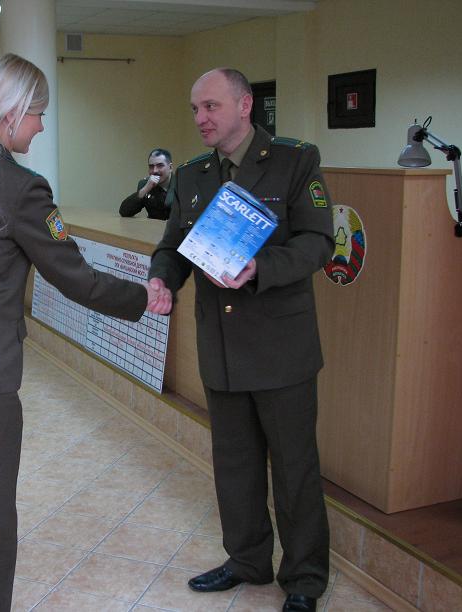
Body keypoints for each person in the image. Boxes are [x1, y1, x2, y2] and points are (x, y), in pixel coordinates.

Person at [0, 54, 166, 612]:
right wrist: (145, 297)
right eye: (39, 113)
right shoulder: (22, 189)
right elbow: (78, 279)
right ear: (14, 114)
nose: (41, 126)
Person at [146, 68, 333, 612]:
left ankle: (304, 578)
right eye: (195, 109)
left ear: (245, 105)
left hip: (281, 348)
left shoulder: (296, 161)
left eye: (211, 106)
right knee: (235, 463)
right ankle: (248, 559)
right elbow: (173, 245)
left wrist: (259, 267)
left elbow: (318, 243)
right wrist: (162, 278)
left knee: (294, 468)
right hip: (222, 346)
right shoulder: (193, 175)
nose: (200, 118)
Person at [119, 148, 174, 220]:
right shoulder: (145, 184)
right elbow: (124, 212)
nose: (155, 171)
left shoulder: (182, 183)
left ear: (170, 168)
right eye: (151, 166)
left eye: (160, 165)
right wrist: (145, 189)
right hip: (153, 226)